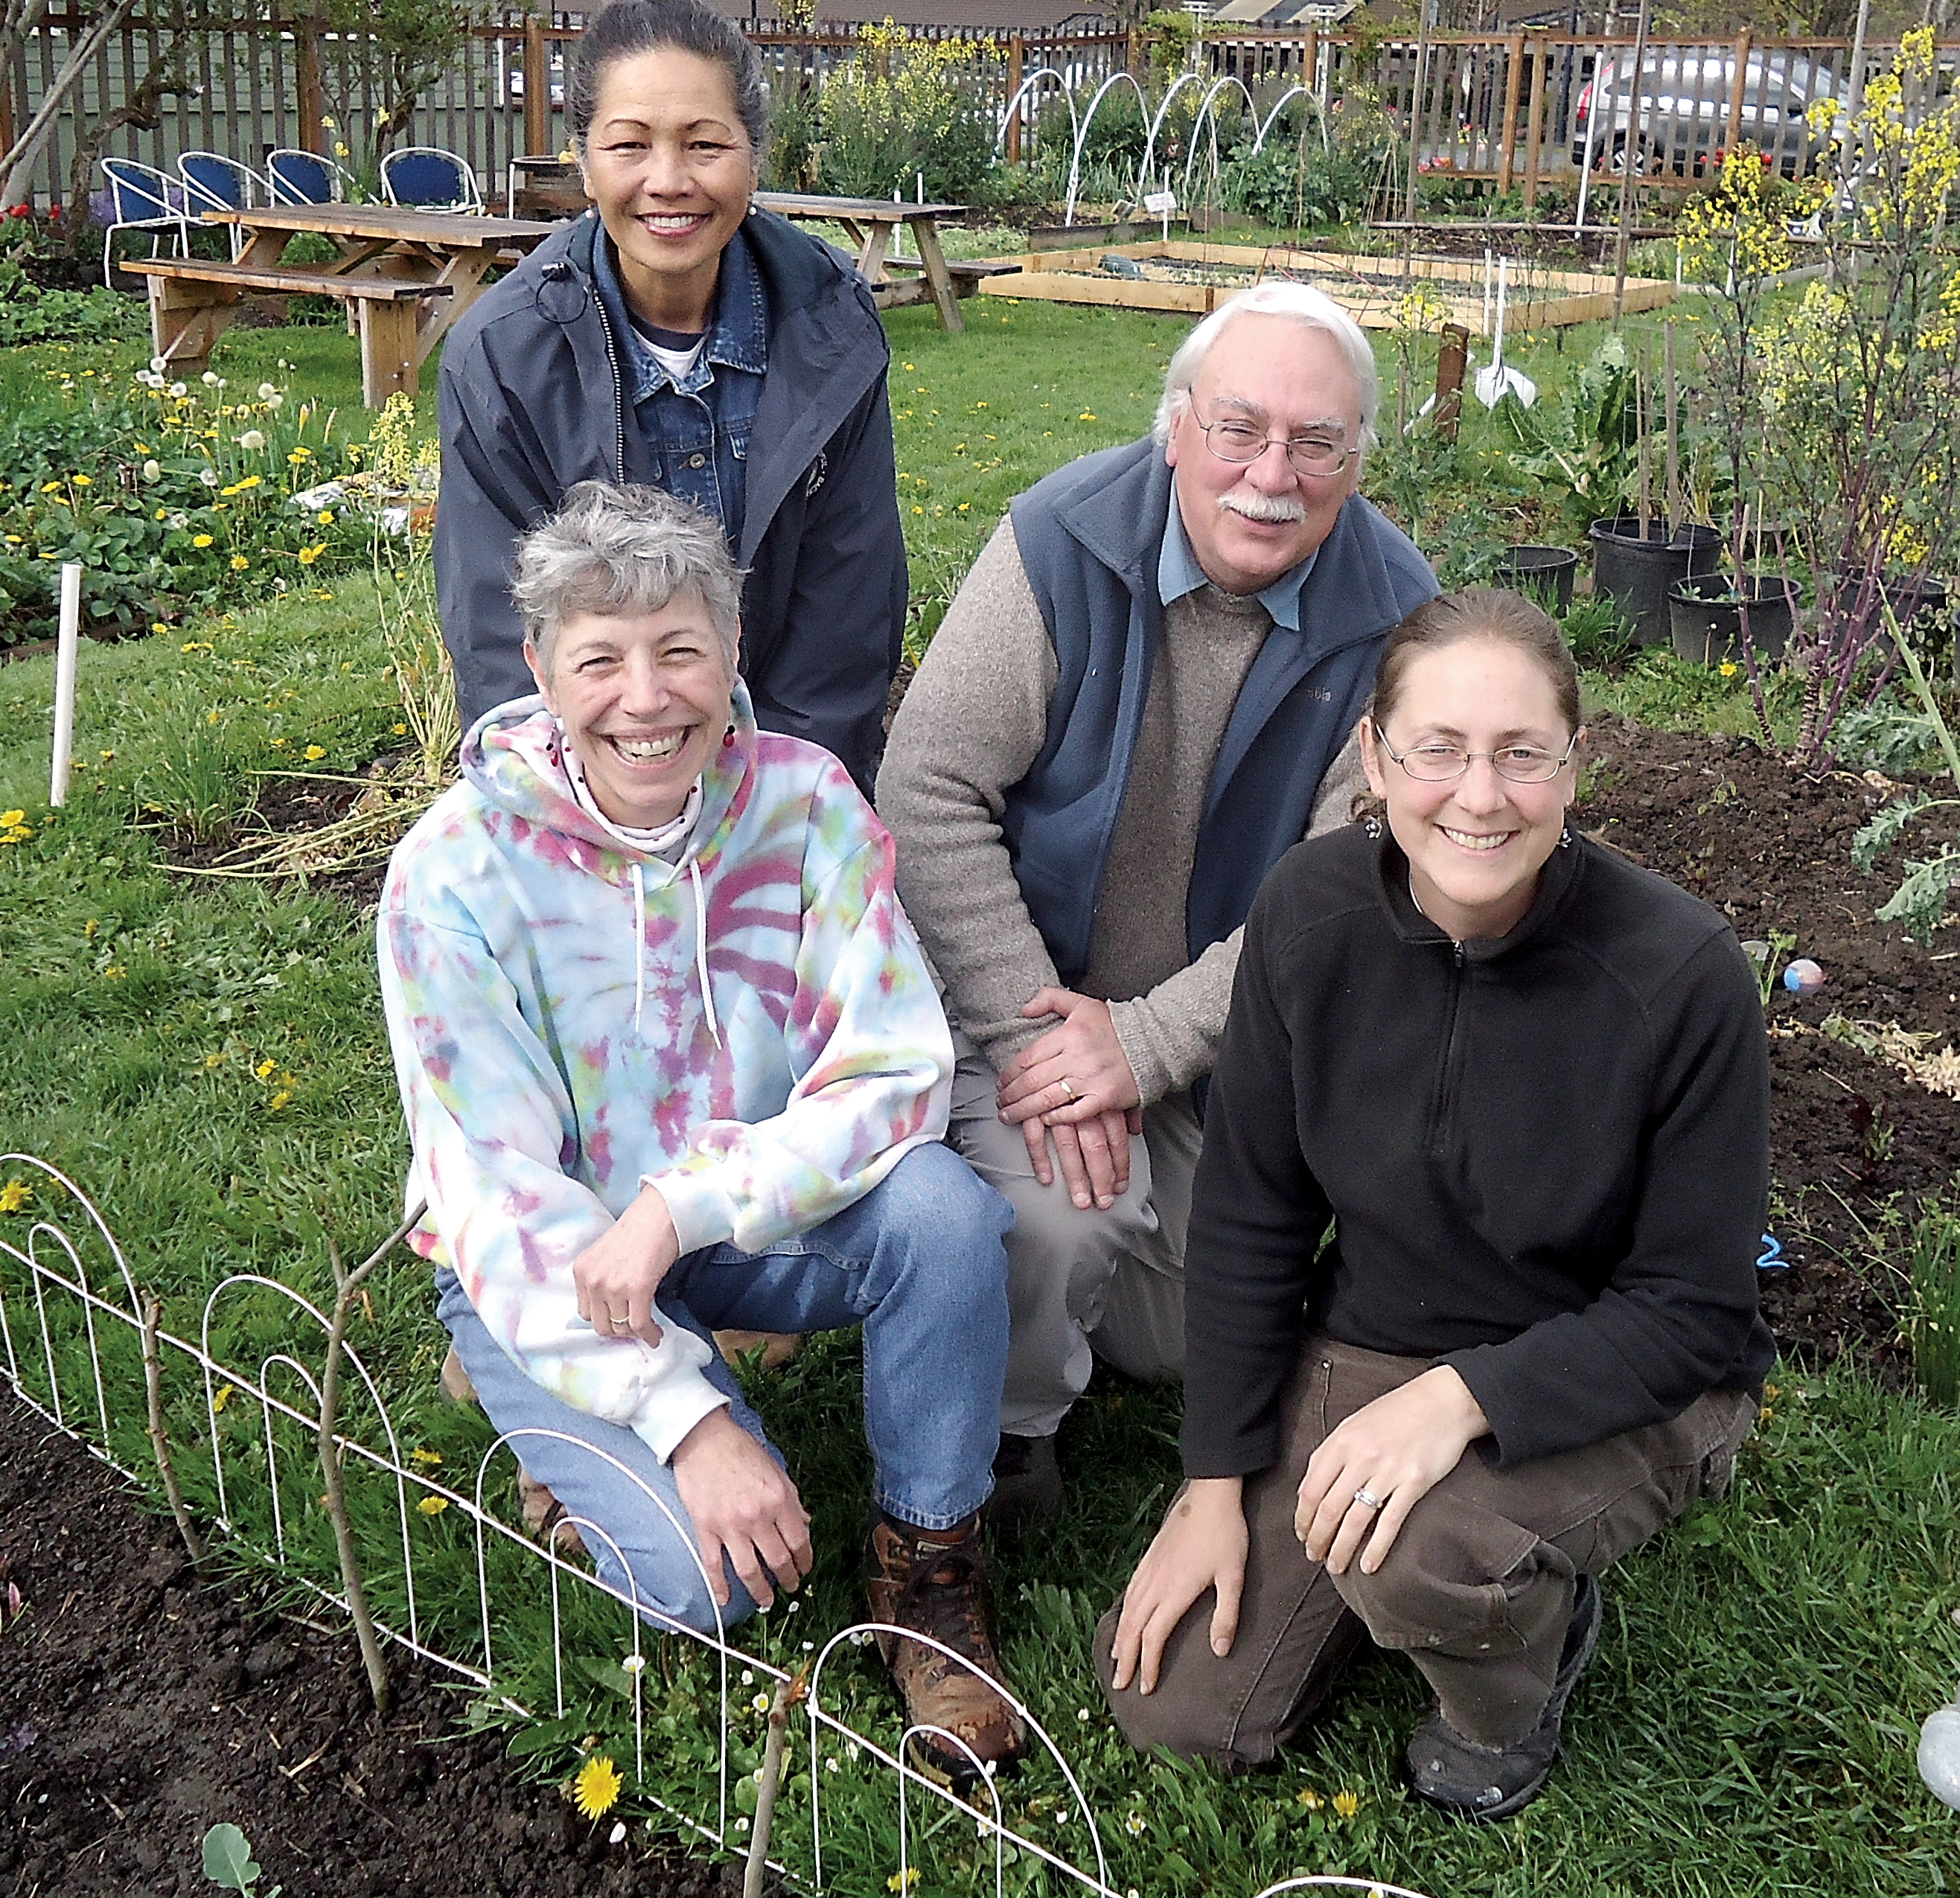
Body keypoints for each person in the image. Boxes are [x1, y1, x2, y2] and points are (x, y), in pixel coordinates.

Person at [1096, 587, 1775, 1818]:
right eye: (1439, 750)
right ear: (1374, 756)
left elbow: (1693, 1309)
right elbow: (1249, 1209)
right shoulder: (1307, 915)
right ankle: (1400, 1564)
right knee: (1174, 1711)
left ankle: (1506, 1682)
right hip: (1377, 1337)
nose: (1478, 796)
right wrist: (1214, 1487)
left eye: (1521, 754)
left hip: (1623, 1375)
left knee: (1425, 1560)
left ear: (1575, 764)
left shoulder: (1679, 976)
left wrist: (1463, 1403)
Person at [380, 480, 1021, 1764]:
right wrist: (689, 1419)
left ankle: (927, 1563)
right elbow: (496, 1187)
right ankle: (552, 1383)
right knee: (710, 1585)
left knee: (948, 1216)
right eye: (601, 658)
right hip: (553, 1262)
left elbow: (897, 1071)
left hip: (732, 1222)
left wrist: (685, 1208)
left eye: (679, 650)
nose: (647, 696)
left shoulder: (806, 806)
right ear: (542, 672)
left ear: (730, 654)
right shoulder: (451, 872)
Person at [876, 281, 1439, 1531]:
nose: (1270, 474)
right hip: (1015, 990)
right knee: (1061, 1224)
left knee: (1195, 1325)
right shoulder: (1058, 542)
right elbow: (924, 788)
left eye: (1315, 444)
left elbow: (1348, 890)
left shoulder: (1398, 619)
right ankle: (1002, 1444)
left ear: (1356, 460)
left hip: (1219, 1038)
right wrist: (1041, 1041)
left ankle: (1027, 1304)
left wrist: (1140, 1048)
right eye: (1238, 430)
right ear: (1173, 427)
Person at [436, 0, 903, 790]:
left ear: (753, 158)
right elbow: (500, 637)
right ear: (584, 163)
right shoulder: (505, 357)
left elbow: (847, 615)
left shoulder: (831, 325)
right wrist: (597, 821)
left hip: (786, 775)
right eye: (629, 145)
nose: (668, 181)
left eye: (703, 144)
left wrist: (775, 817)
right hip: (597, 774)